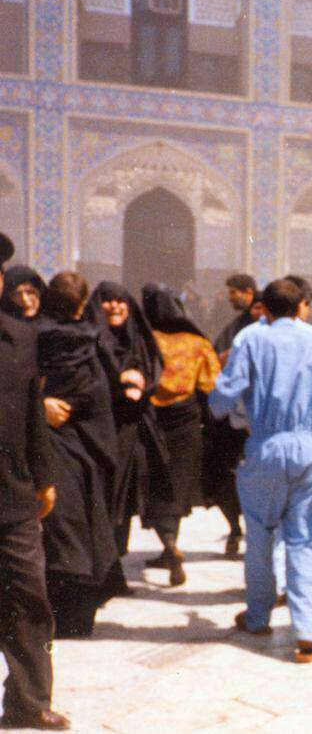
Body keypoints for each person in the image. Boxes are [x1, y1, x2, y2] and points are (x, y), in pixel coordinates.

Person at [209, 279, 312, 663]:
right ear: (301, 306)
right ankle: (308, 633)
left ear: (264, 308)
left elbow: (221, 400)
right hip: (311, 449)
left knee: (260, 535)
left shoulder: (251, 339)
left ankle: (257, 616)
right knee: (306, 539)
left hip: (266, 447)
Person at [0, 233, 71, 730]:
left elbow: (32, 416)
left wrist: (44, 477)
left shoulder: (19, 338)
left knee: (28, 597)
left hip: (13, 493)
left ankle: (28, 701)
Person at [35, 273, 119, 639]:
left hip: (47, 449)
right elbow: (102, 396)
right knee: (82, 528)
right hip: (85, 446)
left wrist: (39, 408)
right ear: (84, 304)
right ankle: (77, 617)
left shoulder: (30, 340)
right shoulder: (92, 342)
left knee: (57, 530)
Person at [84, 282, 170, 591]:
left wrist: (142, 383)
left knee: (124, 503)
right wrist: (119, 383)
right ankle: (103, 574)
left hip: (133, 431)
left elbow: (155, 368)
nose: (116, 306)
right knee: (103, 502)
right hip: (101, 431)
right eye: (108, 301)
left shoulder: (137, 338)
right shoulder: (89, 339)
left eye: (121, 300)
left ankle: (113, 571)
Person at [142, 283, 221, 587]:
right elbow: (211, 385)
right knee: (176, 485)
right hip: (186, 421)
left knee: (155, 483)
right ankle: (170, 546)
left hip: (150, 420)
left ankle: (168, 545)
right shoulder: (197, 342)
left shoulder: (145, 339)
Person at [206, 273, 259, 557]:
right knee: (224, 475)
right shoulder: (235, 328)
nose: (230, 298)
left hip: (257, 421)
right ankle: (235, 528)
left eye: (234, 293)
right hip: (231, 419)